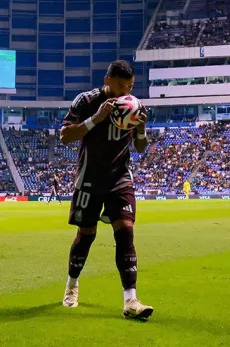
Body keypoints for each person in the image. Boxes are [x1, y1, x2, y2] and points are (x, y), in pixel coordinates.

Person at [58, 60, 154, 320]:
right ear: (107, 80)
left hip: (119, 177)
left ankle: (130, 300)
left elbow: (141, 147)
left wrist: (141, 130)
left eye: (130, 86)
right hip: (89, 178)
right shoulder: (86, 101)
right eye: (121, 85)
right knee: (86, 235)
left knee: (126, 232)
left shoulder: (134, 106)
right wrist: (96, 119)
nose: (126, 91)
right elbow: (65, 136)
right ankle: (71, 285)